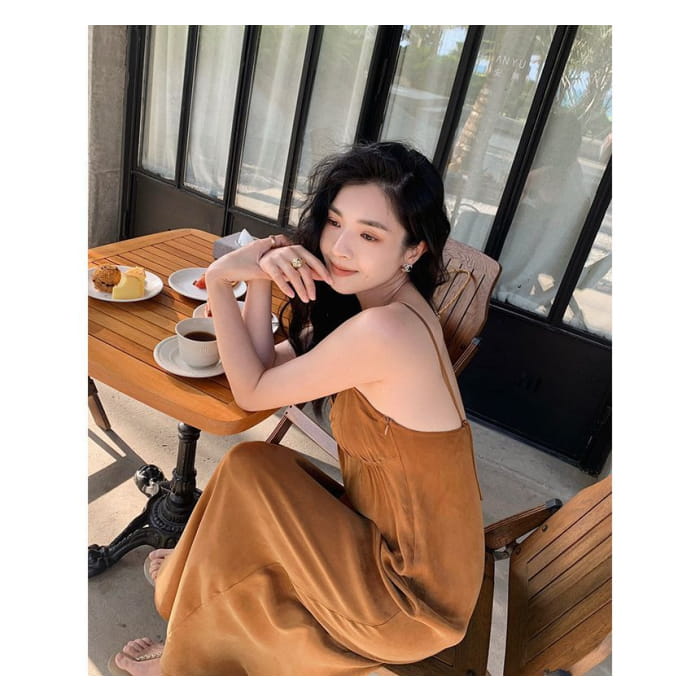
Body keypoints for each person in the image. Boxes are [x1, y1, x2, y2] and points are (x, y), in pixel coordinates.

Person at [110, 141, 485, 676]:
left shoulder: (386, 330)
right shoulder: (377, 307)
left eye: (370, 235)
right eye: (335, 222)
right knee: (254, 465)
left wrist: (223, 277)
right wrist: (260, 277)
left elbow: (252, 392)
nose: (340, 247)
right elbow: (266, 368)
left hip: (412, 594)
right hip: (387, 536)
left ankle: (183, 660)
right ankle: (191, 575)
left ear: (413, 251)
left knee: (250, 477)